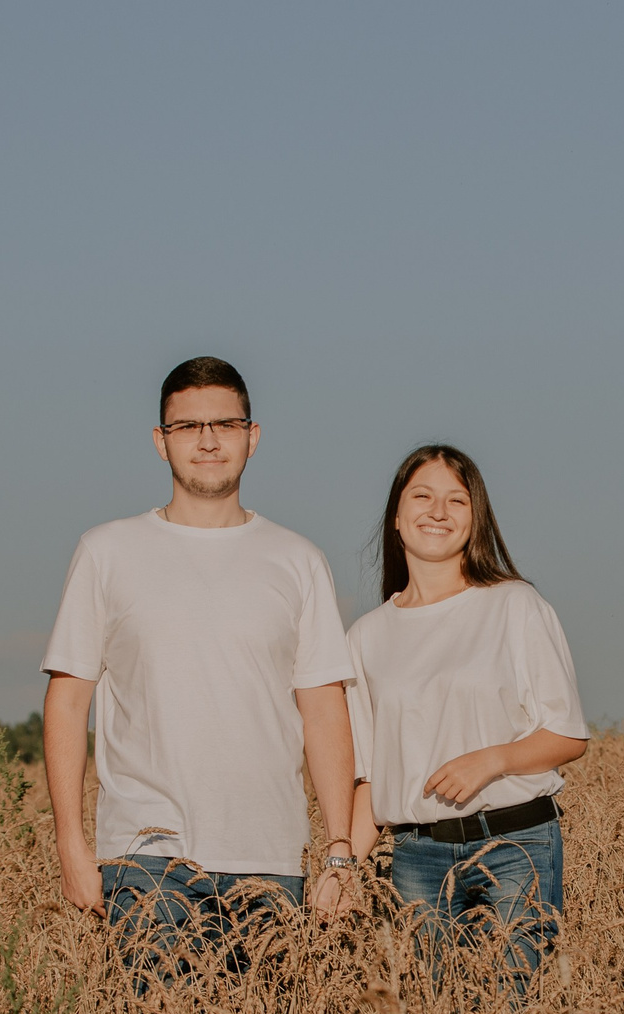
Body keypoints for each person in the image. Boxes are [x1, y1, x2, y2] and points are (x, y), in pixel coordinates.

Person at [39, 356, 359, 972]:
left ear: (252, 436)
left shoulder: (298, 560)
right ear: (161, 443)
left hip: (269, 859)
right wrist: (71, 847)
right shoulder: (106, 552)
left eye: (225, 424)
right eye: (187, 427)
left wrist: (340, 854)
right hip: (145, 860)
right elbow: (68, 700)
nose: (208, 440)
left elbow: (323, 711)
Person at [343, 444, 587, 982]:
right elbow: (367, 775)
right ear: (397, 517)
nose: (438, 511)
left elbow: (568, 734)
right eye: (423, 497)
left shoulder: (514, 604)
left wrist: (493, 760)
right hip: (416, 857)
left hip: (515, 845)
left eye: (457, 500)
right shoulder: (365, 638)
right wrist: (342, 870)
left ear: (475, 519)